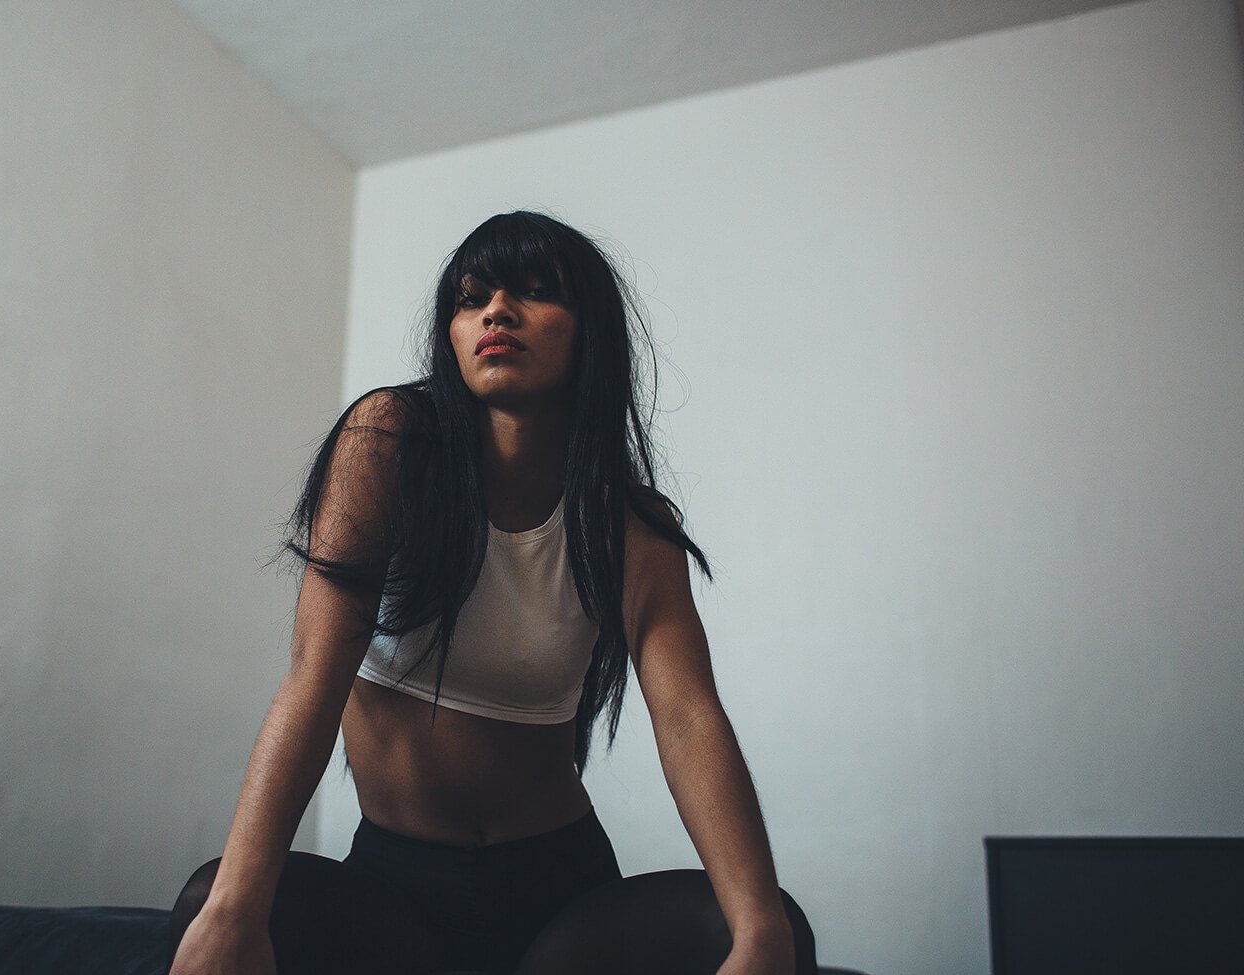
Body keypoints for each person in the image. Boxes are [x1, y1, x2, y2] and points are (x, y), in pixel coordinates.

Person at [167, 211, 818, 975]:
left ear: (589, 329)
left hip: (558, 890)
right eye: (472, 298)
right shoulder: (388, 441)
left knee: (768, 926)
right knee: (211, 900)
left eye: (535, 291)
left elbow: (687, 716)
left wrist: (759, 927)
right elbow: (315, 669)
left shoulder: (631, 523)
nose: (497, 311)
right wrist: (235, 909)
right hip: (394, 892)